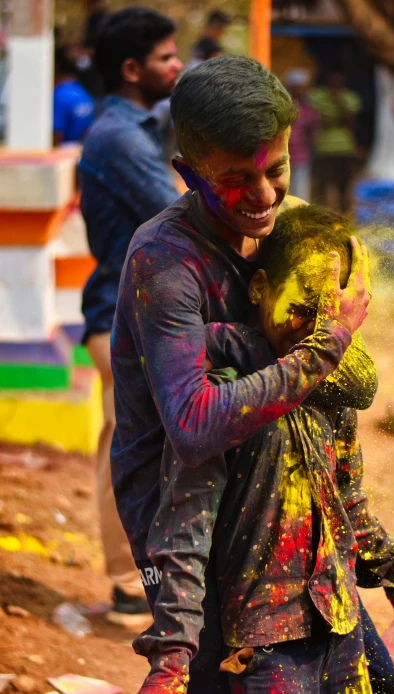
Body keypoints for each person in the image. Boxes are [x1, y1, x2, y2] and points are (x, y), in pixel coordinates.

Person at [110, 54, 372, 694]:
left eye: (277, 168)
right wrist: (310, 350)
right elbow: (193, 423)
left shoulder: (284, 235)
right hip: (189, 529)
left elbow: (356, 382)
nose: (263, 195)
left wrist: (314, 350)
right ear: (186, 169)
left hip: (287, 526)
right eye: (236, 178)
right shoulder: (164, 264)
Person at [131, 206, 394, 694]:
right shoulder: (223, 400)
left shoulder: (331, 394)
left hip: (338, 625)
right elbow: (183, 536)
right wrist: (169, 663)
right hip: (267, 648)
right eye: (302, 310)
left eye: (337, 317)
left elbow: (347, 502)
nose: (320, 334)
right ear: (261, 289)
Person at [79, 7, 183, 624]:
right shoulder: (120, 138)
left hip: (128, 313)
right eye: (167, 58)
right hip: (120, 318)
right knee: (129, 448)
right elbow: (177, 212)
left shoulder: (137, 126)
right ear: (130, 69)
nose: (177, 66)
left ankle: (143, 578)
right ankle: (126, 582)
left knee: (138, 447)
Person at [309, 70, 361, 214]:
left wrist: (337, 100)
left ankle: (345, 217)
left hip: (344, 149)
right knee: (322, 187)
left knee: (343, 187)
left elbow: (350, 121)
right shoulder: (316, 96)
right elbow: (318, 120)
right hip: (323, 149)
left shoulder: (350, 98)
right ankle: (320, 215)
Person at [283, 68, 320, 203]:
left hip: (301, 158)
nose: (299, 91)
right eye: (296, 88)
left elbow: (314, 134)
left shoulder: (310, 109)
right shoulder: (282, 107)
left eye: (302, 88)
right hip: (281, 157)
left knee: (300, 195)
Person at [53, 46, 95, 146]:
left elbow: (56, 133)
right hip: (81, 150)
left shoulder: (59, 95)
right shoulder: (83, 93)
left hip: (63, 155)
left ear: (57, 67)